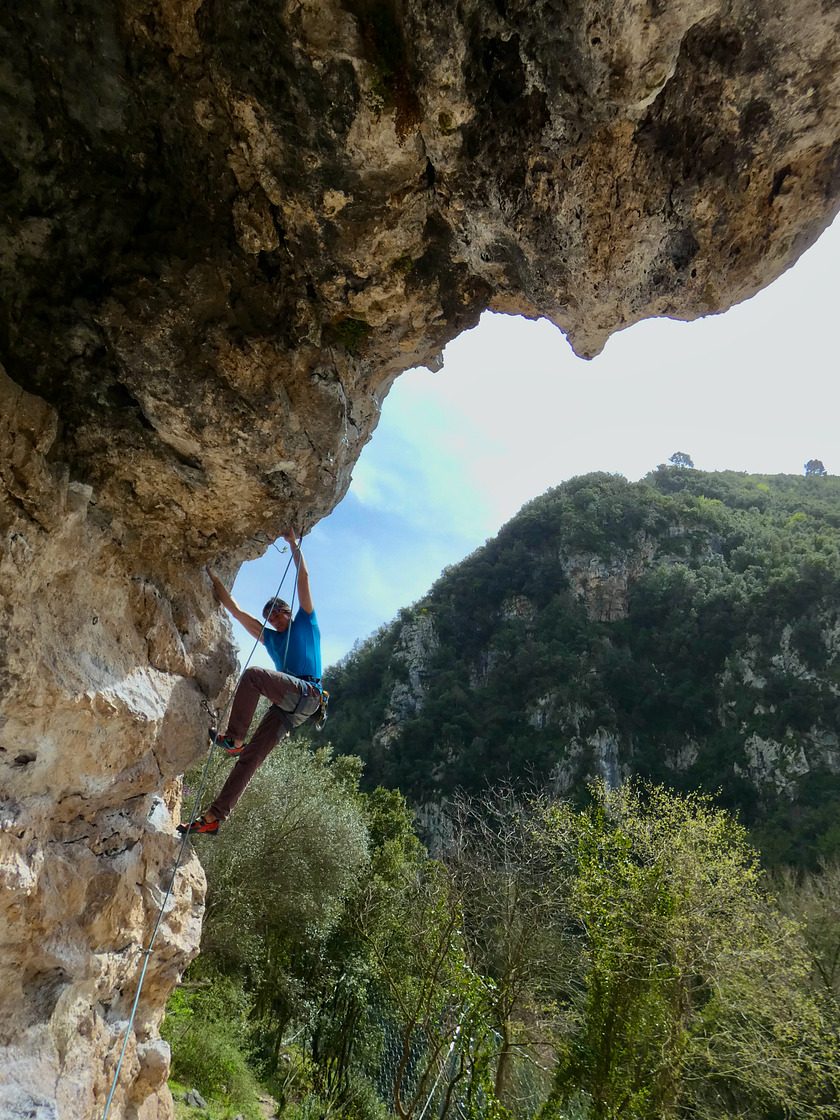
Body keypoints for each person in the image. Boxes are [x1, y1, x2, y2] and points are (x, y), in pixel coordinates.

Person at [177, 528, 322, 835]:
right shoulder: (269, 638)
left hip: (309, 693)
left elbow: (303, 578)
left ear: (288, 612)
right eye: (270, 618)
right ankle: (215, 817)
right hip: (289, 709)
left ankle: (234, 738)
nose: (275, 620)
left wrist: (293, 543)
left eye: (278, 614)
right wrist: (212, 577)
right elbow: (235, 610)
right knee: (250, 760)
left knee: (254, 675)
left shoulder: (306, 622)